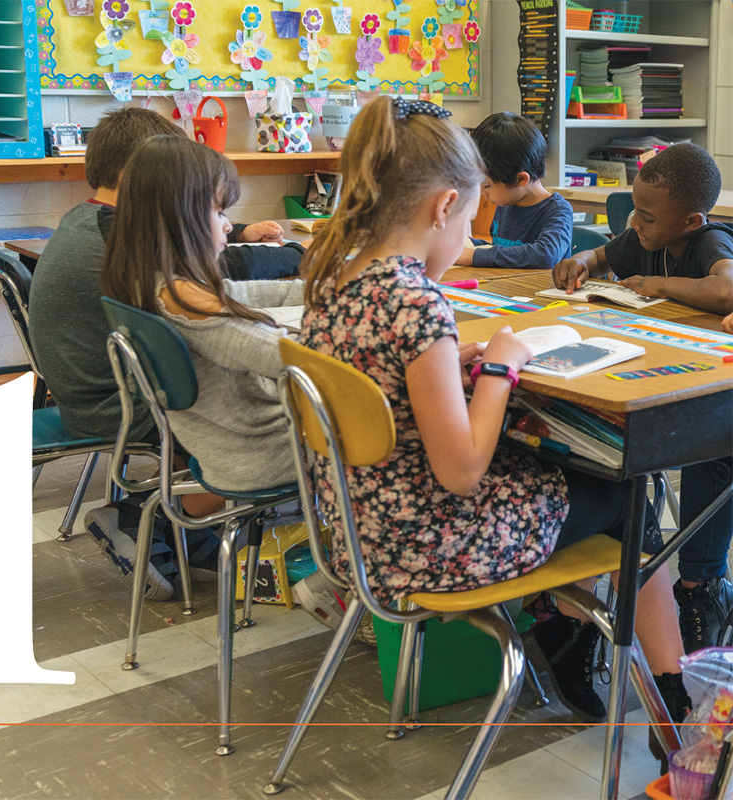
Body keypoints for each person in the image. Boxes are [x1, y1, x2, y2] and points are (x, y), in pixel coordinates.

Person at [297, 96, 690, 732]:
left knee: (571, 471)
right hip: (429, 547)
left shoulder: (333, 278)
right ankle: (666, 695)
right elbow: (462, 472)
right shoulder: (416, 303)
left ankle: (571, 631)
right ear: (444, 206)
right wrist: (502, 369)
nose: (469, 235)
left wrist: (443, 370)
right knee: (630, 492)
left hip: (356, 529)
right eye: (471, 215)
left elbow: (381, 380)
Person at [30, 108, 305, 599]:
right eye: (216, 211)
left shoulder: (100, 226)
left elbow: (225, 288)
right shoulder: (143, 267)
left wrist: (314, 289)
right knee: (336, 428)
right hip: (121, 403)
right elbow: (268, 346)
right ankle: (148, 520)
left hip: (108, 387)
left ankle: (181, 530)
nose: (228, 225)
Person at [553, 142, 733, 653]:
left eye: (647, 216)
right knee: (590, 431)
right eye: (634, 209)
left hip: (708, 387)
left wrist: (657, 284)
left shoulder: (710, 240)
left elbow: (726, 291)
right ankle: (572, 603)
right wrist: (580, 260)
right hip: (656, 375)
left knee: (715, 451)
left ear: (691, 220)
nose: (635, 222)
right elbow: (601, 255)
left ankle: (700, 586)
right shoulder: (644, 234)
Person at [101, 134, 301, 493]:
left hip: (232, 443)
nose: (229, 226)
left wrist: (326, 291)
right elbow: (292, 360)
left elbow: (247, 293)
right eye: (220, 211)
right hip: (266, 452)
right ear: (179, 216)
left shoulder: (152, 282)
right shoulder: (186, 302)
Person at [454, 111, 573, 270]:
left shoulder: (558, 210)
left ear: (520, 179)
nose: (482, 192)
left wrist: (473, 256)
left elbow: (546, 255)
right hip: (507, 282)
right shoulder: (507, 202)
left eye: (487, 185)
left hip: (539, 285)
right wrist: (466, 244)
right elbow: (502, 251)